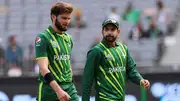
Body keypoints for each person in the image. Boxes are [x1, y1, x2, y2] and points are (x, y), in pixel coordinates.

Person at [82, 18, 150, 101]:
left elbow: (131, 70)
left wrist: (141, 80)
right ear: (102, 32)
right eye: (106, 29)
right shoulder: (96, 51)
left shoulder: (123, 48)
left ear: (118, 31)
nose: (109, 32)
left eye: (112, 29)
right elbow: (87, 81)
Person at [35, 2, 78, 101]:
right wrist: (58, 91)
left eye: (68, 18)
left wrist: (71, 83)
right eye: (64, 18)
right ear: (54, 17)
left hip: (69, 88)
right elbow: (43, 69)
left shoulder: (68, 39)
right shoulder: (43, 38)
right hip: (50, 91)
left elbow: (67, 63)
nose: (67, 21)